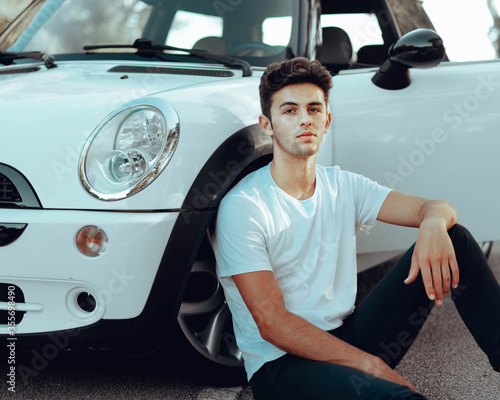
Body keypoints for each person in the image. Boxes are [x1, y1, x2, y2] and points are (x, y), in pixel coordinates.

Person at [213, 57, 500, 399]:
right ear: (268, 125)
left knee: (457, 239)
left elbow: (434, 207)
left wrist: (434, 223)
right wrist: (370, 365)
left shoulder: (342, 185)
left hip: (346, 338)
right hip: (283, 367)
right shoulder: (245, 207)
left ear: (327, 120)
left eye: (314, 109)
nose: (304, 119)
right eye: (289, 111)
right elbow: (272, 323)